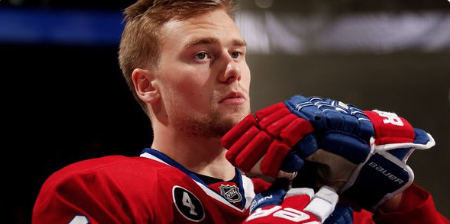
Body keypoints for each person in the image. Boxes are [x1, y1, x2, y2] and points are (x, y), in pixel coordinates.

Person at [32, 0, 449, 223]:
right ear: (147, 85)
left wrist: (399, 203)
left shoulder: (310, 192)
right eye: (201, 54)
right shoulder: (101, 189)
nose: (232, 70)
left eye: (237, 52)